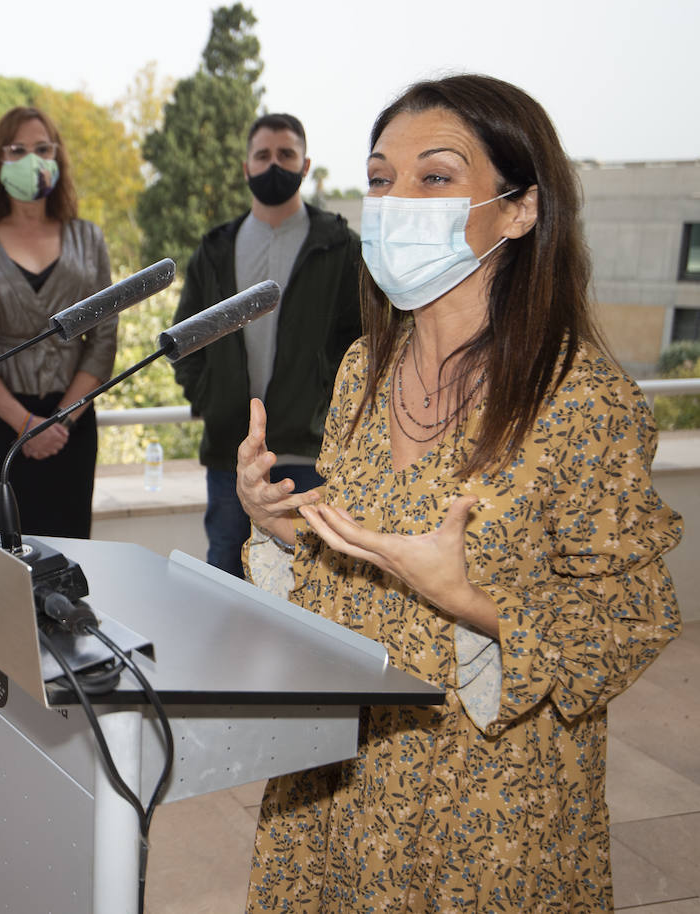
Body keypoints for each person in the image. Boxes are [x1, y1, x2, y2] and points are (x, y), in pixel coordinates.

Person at [237, 75, 683, 912]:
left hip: (484, 803)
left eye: (434, 177)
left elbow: (635, 617)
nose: (396, 201)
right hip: (337, 775)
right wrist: (284, 527)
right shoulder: (362, 370)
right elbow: (364, 557)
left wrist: (473, 604)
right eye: (380, 179)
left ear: (519, 210)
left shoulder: (580, 400)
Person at [172, 113, 361, 579]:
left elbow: (361, 344)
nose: (274, 164)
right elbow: (185, 340)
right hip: (230, 454)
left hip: (313, 452)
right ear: (246, 167)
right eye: (263, 155)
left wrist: (329, 408)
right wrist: (209, 398)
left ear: (305, 163)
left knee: (318, 580)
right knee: (226, 578)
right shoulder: (215, 249)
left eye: (285, 155)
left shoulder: (340, 247)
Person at [0, 106, 116, 537]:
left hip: (70, 427)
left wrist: (61, 420)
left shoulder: (88, 238)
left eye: (43, 148)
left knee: (68, 561)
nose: (31, 160)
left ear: (58, 158)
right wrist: (24, 425)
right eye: (17, 149)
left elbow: (104, 338)